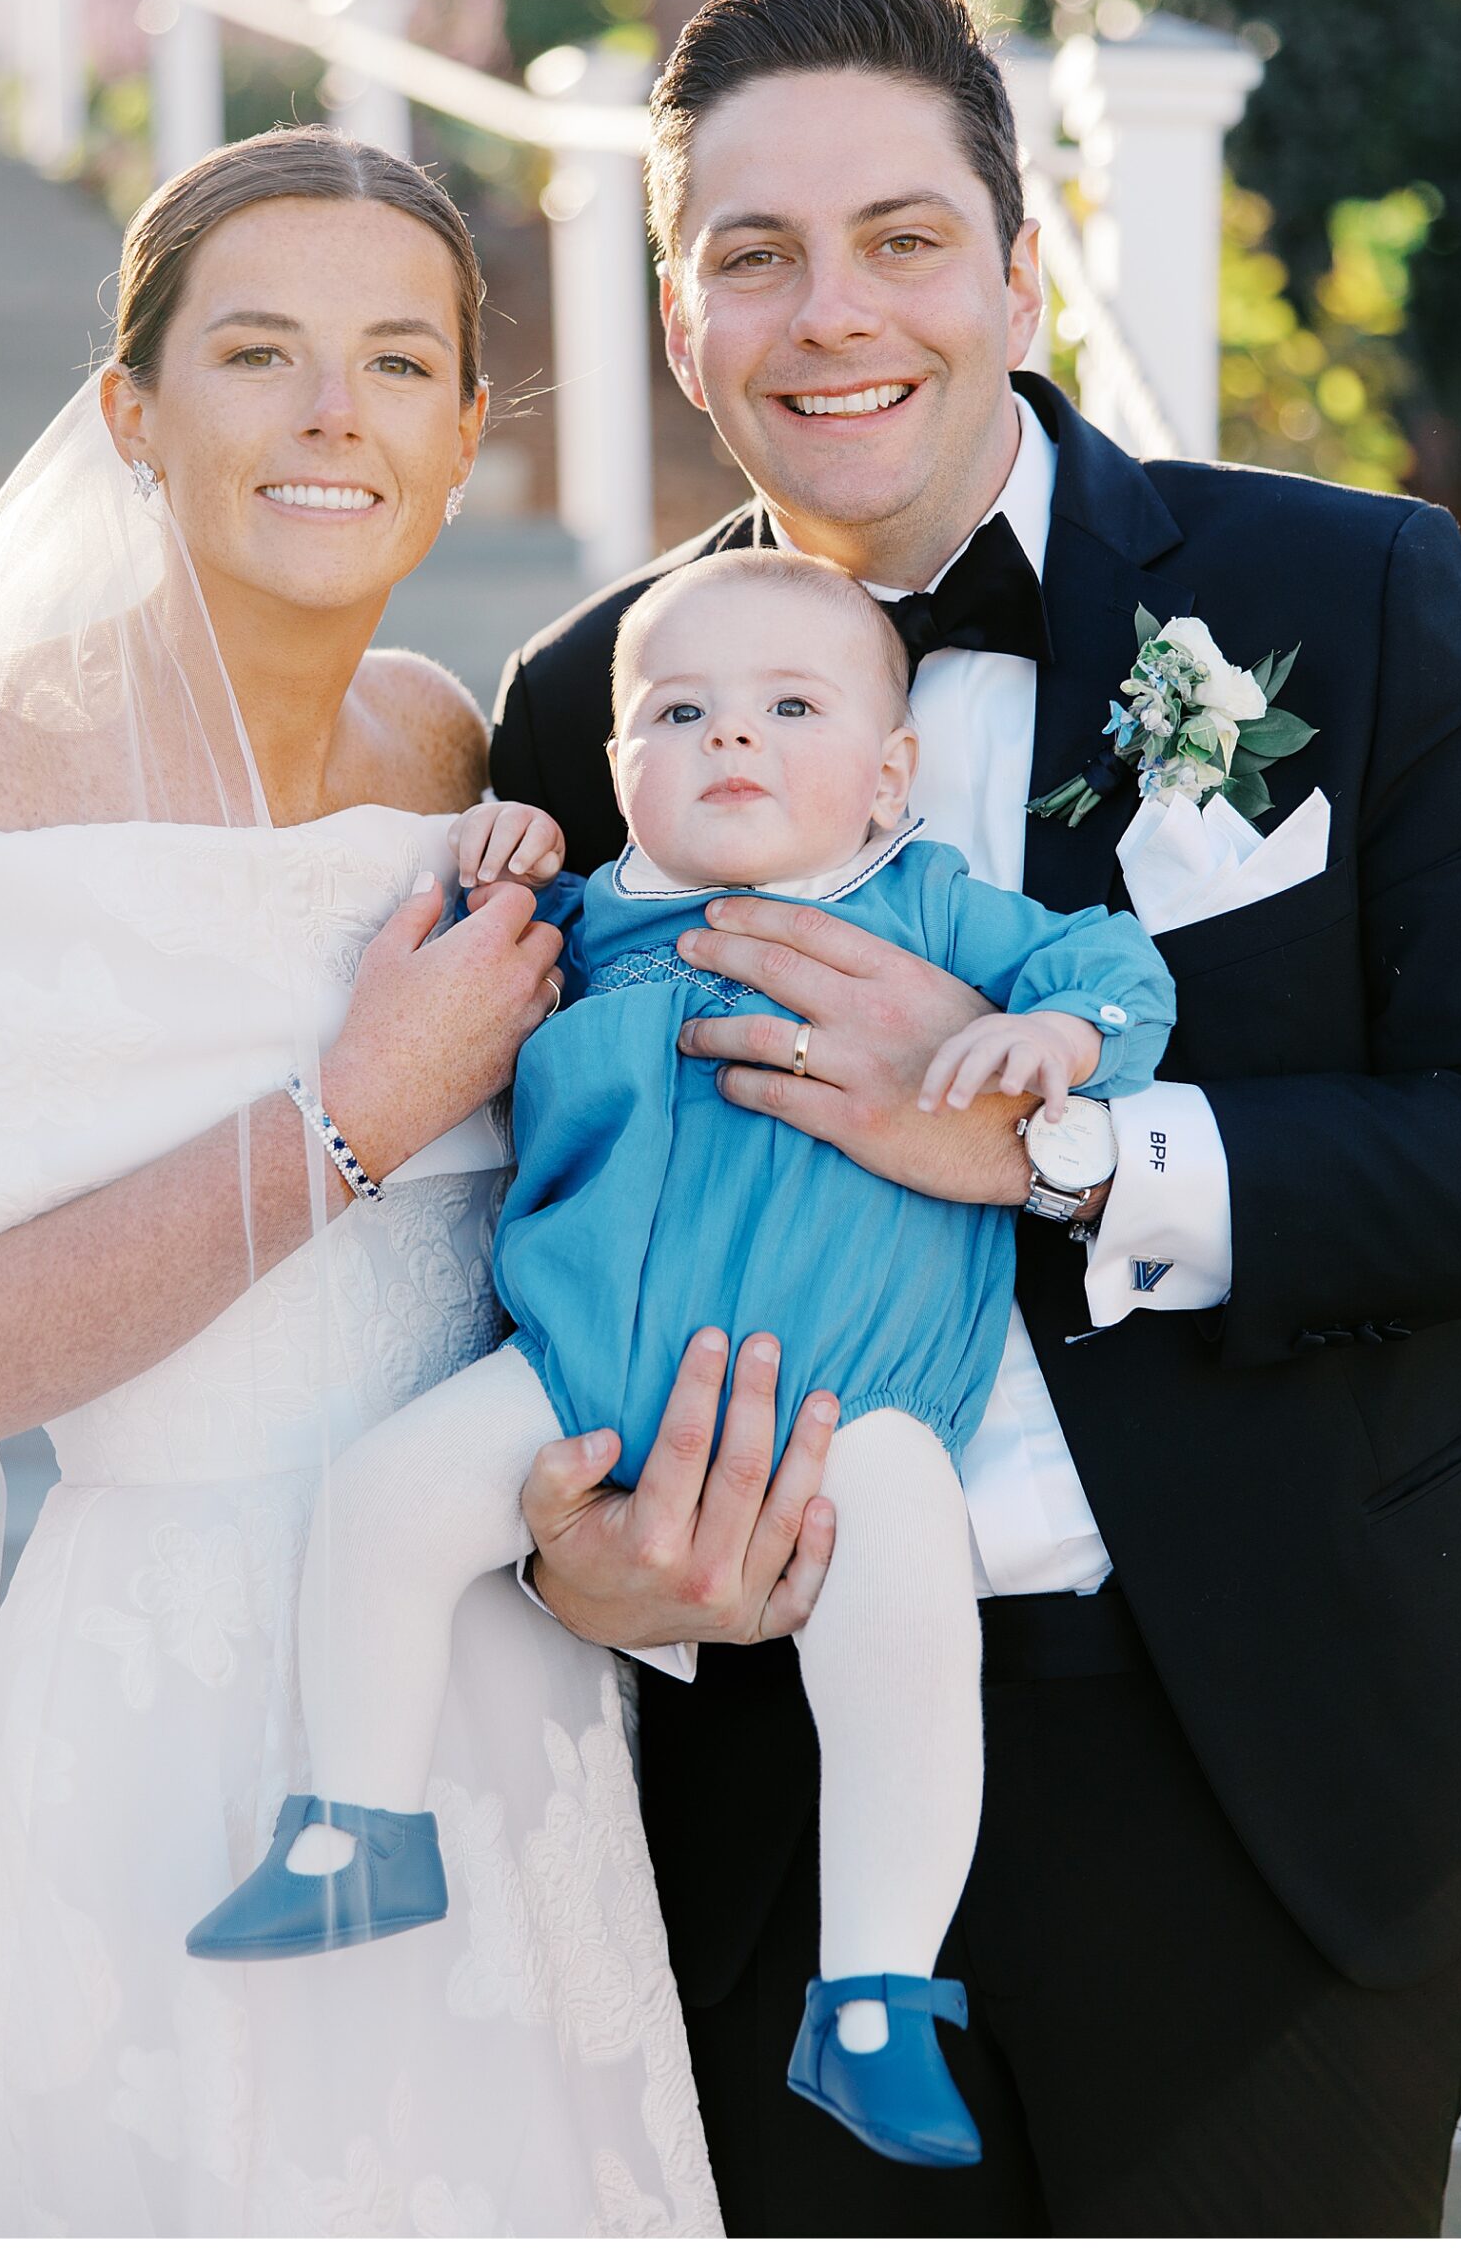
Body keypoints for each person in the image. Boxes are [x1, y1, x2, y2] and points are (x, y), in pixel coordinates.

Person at [489, 0, 1461, 2237]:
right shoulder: (586, 706)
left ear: (1018, 265)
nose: (827, 310)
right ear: (679, 320)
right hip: (765, 1791)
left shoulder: (1334, 595)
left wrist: (1059, 1150)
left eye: (900, 236)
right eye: (750, 252)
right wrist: (580, 1558)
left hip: (1258, 1773)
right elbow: (523, 1206)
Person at [0, 128, 720, 2238]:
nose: (335, 414)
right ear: (131, 411)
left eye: (399, 361)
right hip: (168, 1716)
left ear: (467, 428)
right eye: (257, 352)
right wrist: (346, 1119)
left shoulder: (442, 746)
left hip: (496, 1700)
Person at [185, 548, 1173, 2177]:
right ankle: (360, 1822)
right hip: (580, 1373)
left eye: (793, 707)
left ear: (889, 771)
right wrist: (489, 860)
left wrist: (1051, 1041)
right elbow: (433, 991)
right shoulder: (572, 925)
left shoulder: (923, 905)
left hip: (847, 1405)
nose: (733, 739)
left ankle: (872, 1996)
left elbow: (1112, 969)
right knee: (381, 1500)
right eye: (681, 710)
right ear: (617, 759)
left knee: (908, 1643)